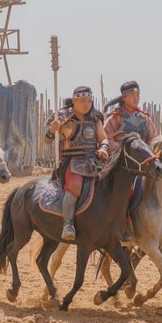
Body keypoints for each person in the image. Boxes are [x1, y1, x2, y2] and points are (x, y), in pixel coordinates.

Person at [46, 86, 109, 240]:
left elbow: (103, 138)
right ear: (74, 101)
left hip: (94, 160)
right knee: (74, 185)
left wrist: (103, 148)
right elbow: (47, 141)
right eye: (82, 100)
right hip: (72, 161)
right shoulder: (61, 116)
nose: (86, 104)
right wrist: (52, 130)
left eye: (89, 101)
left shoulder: (95, 117)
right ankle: (68, 224)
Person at [103, 81, 157, 245]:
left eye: (138, 95)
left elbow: (153, 138)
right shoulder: (115, 118)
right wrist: (122, 151)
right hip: (122, 164)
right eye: (133, 95)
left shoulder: (144, 118)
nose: (136, 98)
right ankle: (123, 224)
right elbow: (106, 138)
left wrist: (150, 151)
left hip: (144, 163)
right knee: (128, 189)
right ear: (124, 97)